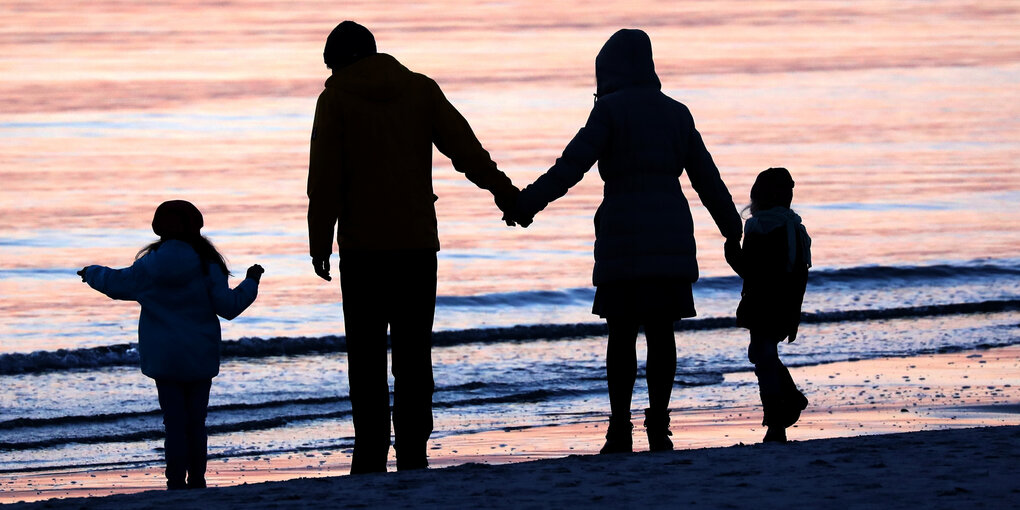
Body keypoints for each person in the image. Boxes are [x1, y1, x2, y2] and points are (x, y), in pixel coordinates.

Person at [510, 29, 743, 453]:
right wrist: (732, 228)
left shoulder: (610, 112)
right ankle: (659, 422)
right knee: (661, 332)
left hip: (621, 232)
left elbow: (571, 166)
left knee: (620, 335)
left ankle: (619, 426)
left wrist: (527, 204)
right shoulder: (677, 113)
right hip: (670, 229)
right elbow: (707, 178)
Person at [306, 21, 520, 473]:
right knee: (413, 353)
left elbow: (324, 178)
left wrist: (319, 239)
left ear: (338, 61)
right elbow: (466, 150)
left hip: (362, 249)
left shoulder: (336, 98)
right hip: (416, 244)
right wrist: (504, 191)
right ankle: (413, 448)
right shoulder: (419, 89)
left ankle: (369, 449)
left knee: (365, 356)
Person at [77, 200, 263, 489]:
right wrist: (251, 281)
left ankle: (175, 480)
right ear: (195, 227)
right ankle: (197, 479)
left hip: (164, 358)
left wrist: (90, 272)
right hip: (200, 355)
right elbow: (229, 307)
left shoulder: (148, 267)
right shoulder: (207, 264)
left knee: (174, 423)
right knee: (196, 423)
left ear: (158, 228)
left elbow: (114, 283)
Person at [724, 167, 811, 443]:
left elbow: (752, 271)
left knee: (762, 358)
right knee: (761, 355)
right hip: (779, 303)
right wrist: (794, 312)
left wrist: (732, 256)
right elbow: (800, 275)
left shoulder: (762, 228)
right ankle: (789, 401)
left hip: (765, 303)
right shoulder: (792, 227)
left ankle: (776, 422)